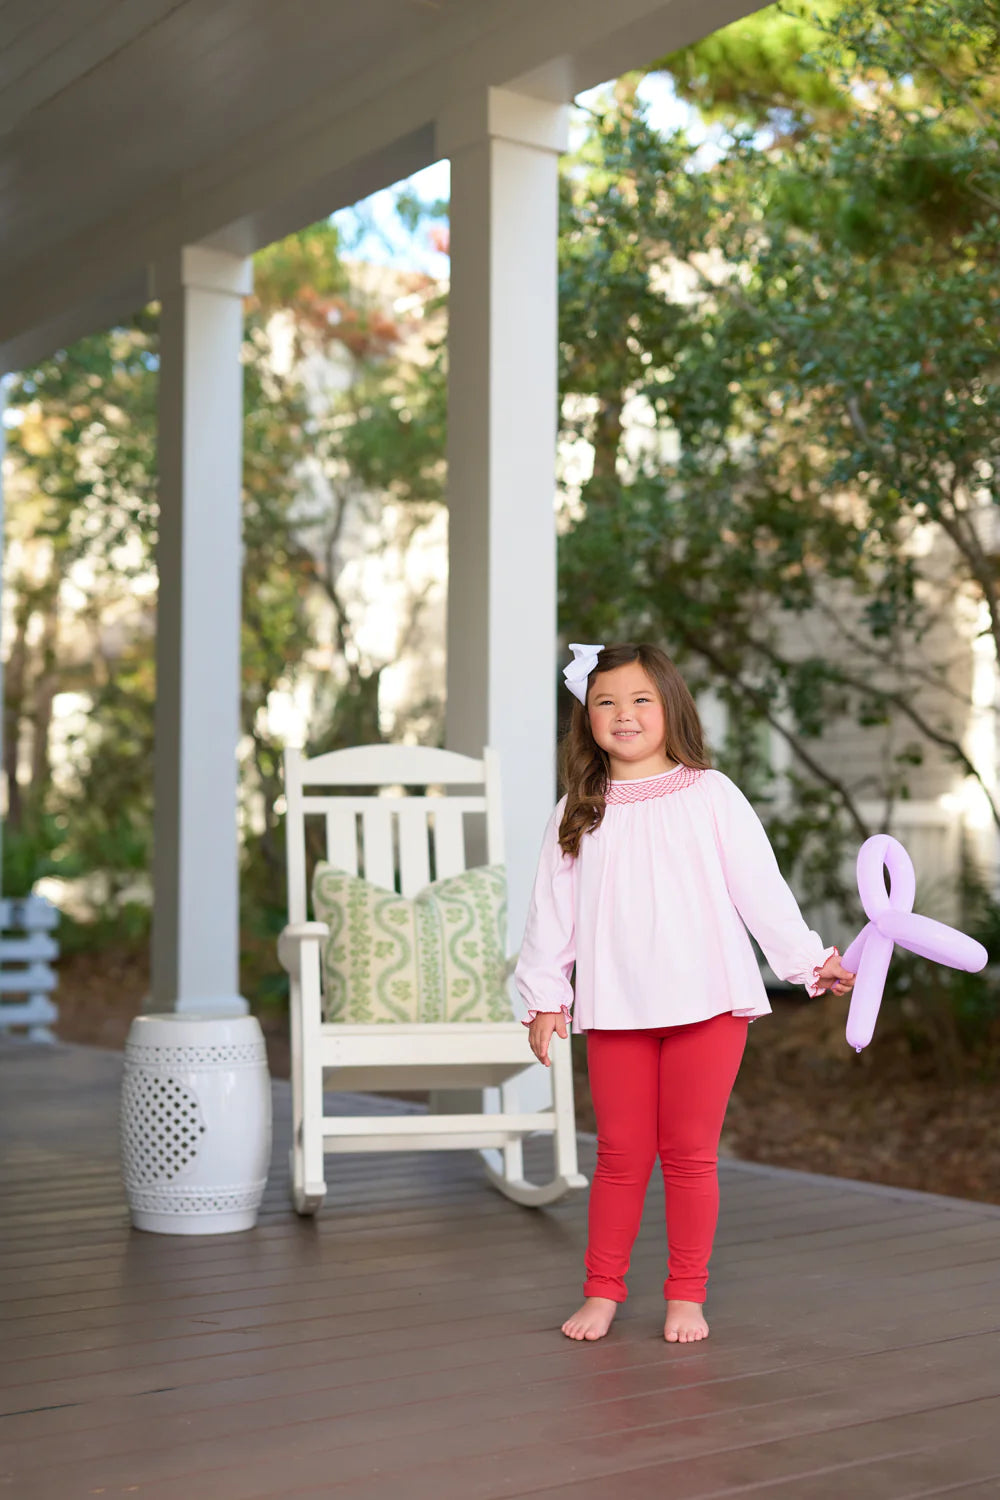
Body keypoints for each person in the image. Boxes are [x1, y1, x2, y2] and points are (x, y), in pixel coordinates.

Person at [516, 642, 856, 1345]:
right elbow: (550, 911)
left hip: (708, 1003)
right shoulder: (576, 810)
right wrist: (547, 994)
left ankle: (686, 1294)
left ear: (671, 708)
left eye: (641, 699)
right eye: (605, 701)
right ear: (588, 719)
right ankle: (603, 1289)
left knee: (690, 1153)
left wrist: (808, 960)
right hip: (616, 1008)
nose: (624, 714)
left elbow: (760, 890)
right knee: (619, 1152)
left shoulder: (711, 793)